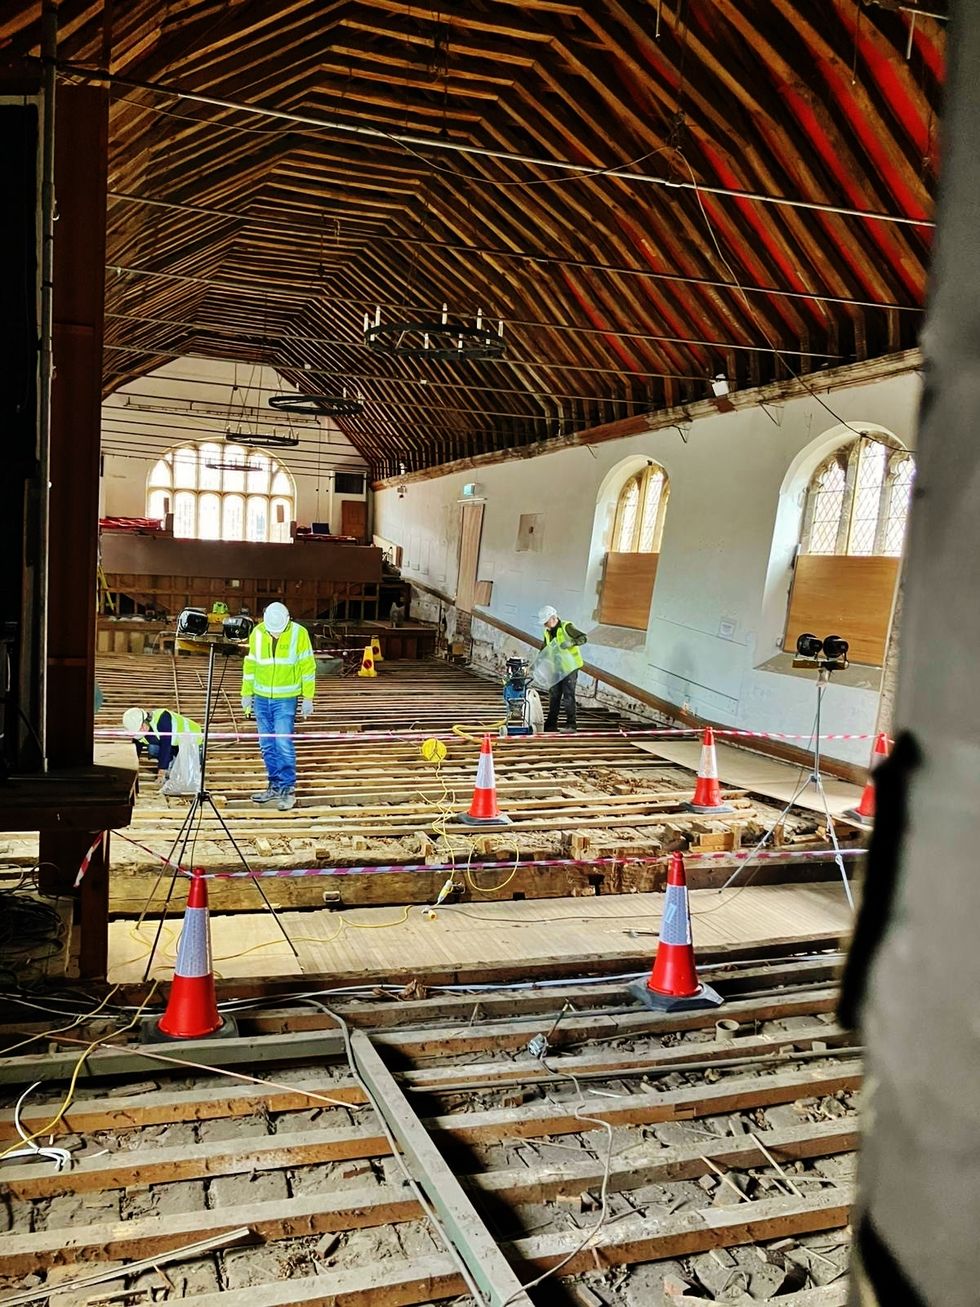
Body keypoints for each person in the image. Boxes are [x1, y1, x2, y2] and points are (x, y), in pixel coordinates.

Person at [241, 602, 316, 811]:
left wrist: (308, 697)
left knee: (283, 743)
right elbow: (251, 664)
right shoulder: (257, 632)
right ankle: (274, 786)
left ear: (288, 619)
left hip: (285, 699)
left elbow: (307, 666)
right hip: (261, 698)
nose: (274, 634)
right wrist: (246, 693)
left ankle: (287, 789)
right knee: (266, 745)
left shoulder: (299, 634)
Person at [536, 605, 588, 733]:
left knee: (568, 695)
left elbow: (583, 638)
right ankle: (551, 723)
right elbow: (544, 648)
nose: (545, 625)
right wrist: (538, 661)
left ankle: (571, 724)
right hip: (556, 668)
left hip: (570, 668)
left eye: (546, 622)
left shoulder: (567, 627)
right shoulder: (547, 632)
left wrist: (572, 643)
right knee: (554, 695)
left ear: (553, 618)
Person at [122, 706, 202, 777]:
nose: (142, 729)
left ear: (146, 718)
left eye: (142, 726)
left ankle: (176, 762)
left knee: (187, 775)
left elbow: (165, 746)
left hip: (193, 740)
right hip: (176, 744)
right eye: (139, 730)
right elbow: (136, 751)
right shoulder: (138, 730)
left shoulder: (163, 719)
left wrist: (161, 772)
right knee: (153, 749)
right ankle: (172, 759)